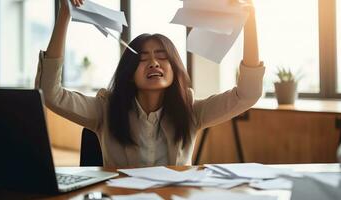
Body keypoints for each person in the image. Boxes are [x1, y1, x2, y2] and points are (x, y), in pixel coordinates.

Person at [35, 0, 265, 167]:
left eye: (162, 57)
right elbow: (51, 94)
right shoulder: (105, 108)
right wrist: (65, 15)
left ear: (175, 68)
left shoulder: (192, 110)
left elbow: (247, 94)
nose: (154, 62)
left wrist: (250, 22)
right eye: (143, 58)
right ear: (129, 72)